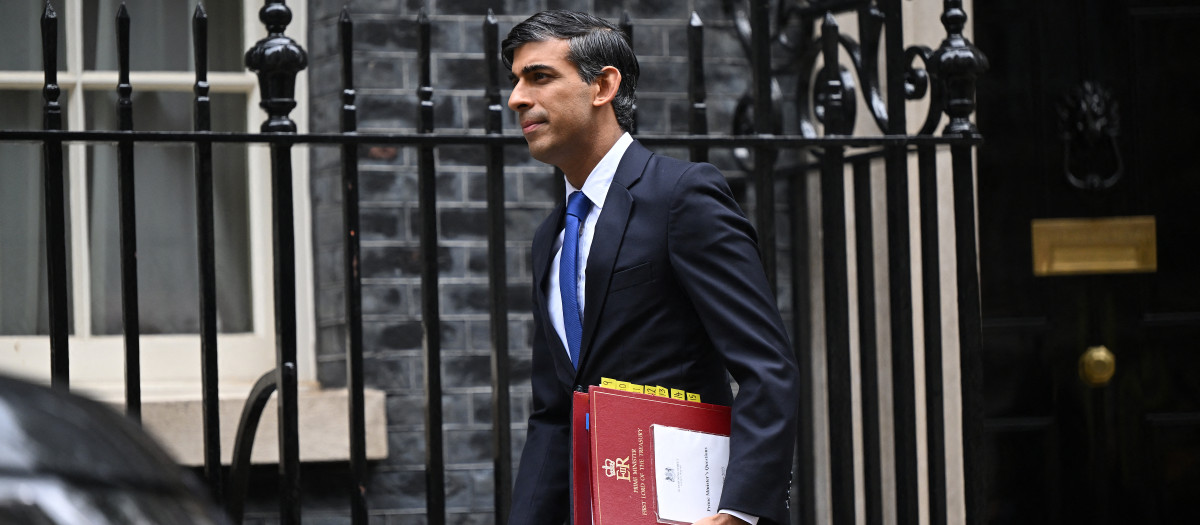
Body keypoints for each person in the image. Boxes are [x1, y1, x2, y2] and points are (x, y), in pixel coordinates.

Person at [503, 10, 800, 525]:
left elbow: (766, 368)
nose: (517, 98)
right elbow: (554, 414)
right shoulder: (549, 236)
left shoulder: (682, 196)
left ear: (603, 86)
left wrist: (738, 512)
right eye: (516, 82)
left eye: (540, 76)